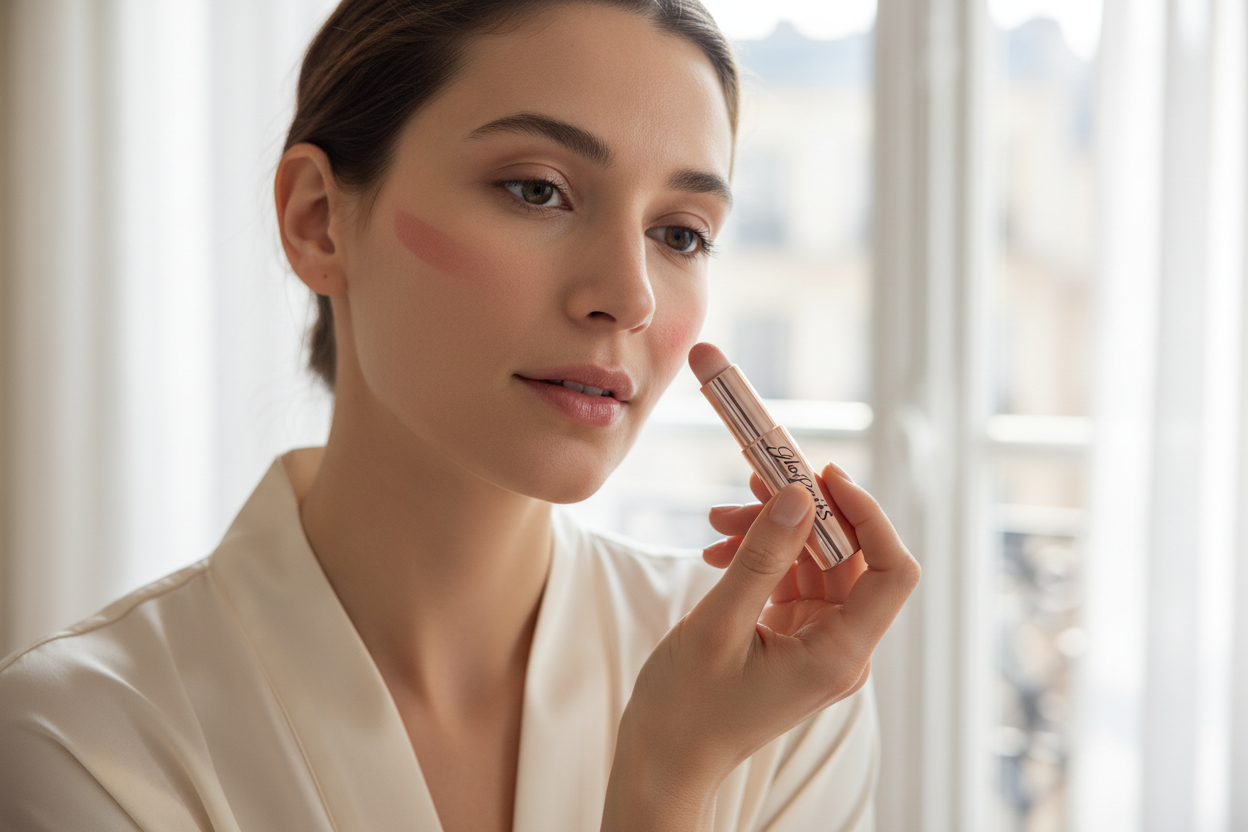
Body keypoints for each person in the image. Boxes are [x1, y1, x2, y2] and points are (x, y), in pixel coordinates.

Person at [0, 1, 920, 829]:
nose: (629, 297)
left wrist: (691, 762)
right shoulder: (81, 735)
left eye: (680, 233)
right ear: (320, 220)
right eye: (537, 189)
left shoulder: (777, 691)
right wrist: (664, 785)